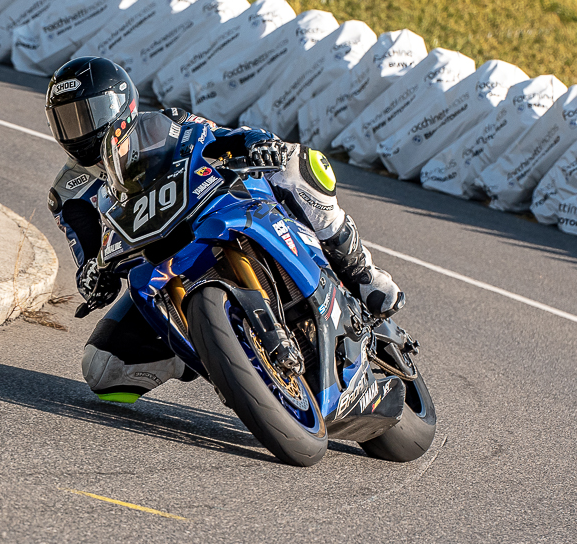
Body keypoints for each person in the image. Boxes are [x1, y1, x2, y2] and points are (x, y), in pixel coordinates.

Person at [44, 57, 404, 403]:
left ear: (118, 106)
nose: (76, 131)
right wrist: (93, 279)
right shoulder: (69, 191)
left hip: (208, 219)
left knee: (298, 163)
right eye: (65, 121)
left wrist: (255, 144)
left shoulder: (161, 125)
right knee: (102, 369)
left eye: (85, 115)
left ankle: (362, 274)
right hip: (159, 267)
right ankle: (208, 349)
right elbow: (88, 256)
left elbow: (216, 137)